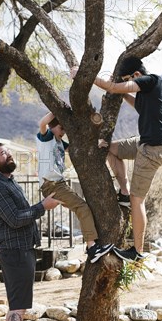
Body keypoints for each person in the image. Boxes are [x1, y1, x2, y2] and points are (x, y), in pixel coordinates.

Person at [71, 56, 162, 262]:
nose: (128, 83)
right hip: (146, 142)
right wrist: (120, 90)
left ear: (136, 75)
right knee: (111, 149)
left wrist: (88, 77)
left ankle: (137, 251)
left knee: (139, 200)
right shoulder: (146, 94)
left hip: (154, 148)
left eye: (128, 79)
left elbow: (117, 88)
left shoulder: (151, 80)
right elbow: (133, 101)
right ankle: (124, 192)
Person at [0, 143, 59, 321]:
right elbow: (15, 219)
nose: (9, 155)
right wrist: (43, 207)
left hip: (23, 249)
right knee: (18, 308)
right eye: (3, 153)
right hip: (15, 252)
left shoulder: (9, 181)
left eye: (9, 151)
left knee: (18, 305)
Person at [36, 112, 114, 263]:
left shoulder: (59, 141)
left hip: (59, 184)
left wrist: (96, 143)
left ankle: (92, 244)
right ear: (52, 127)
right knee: (82, 207)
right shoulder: (46, 137)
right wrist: (55, 109)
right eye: (61, 128)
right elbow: (42, 123)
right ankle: (92, 248)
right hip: (51, 184)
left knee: (82, 208)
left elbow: (78, 147)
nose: (63, 132)